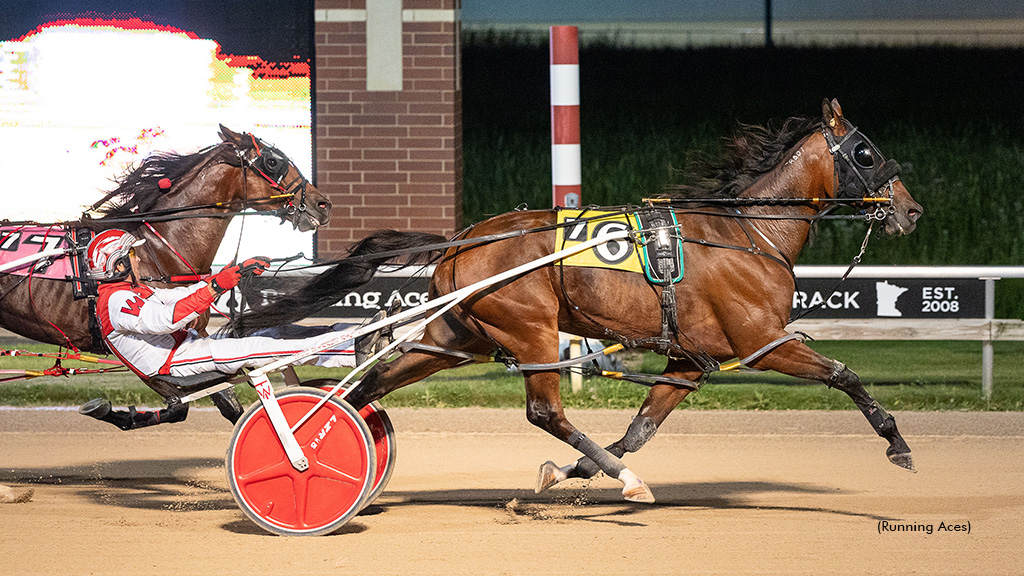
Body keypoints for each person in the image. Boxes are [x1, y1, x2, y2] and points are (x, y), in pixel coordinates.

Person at [79, 228, 387, 429]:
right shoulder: (116, 300)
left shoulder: (130, 291)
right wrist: (215, 286)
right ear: (117, 265)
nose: (138, 259)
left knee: (268, 332)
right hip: (173, 366)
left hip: (189, 348)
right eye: (132, 255)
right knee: (256, 349)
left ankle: (359, 333)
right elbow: (167, 319)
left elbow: (179, 298)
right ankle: (349, 349)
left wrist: (231, 275)